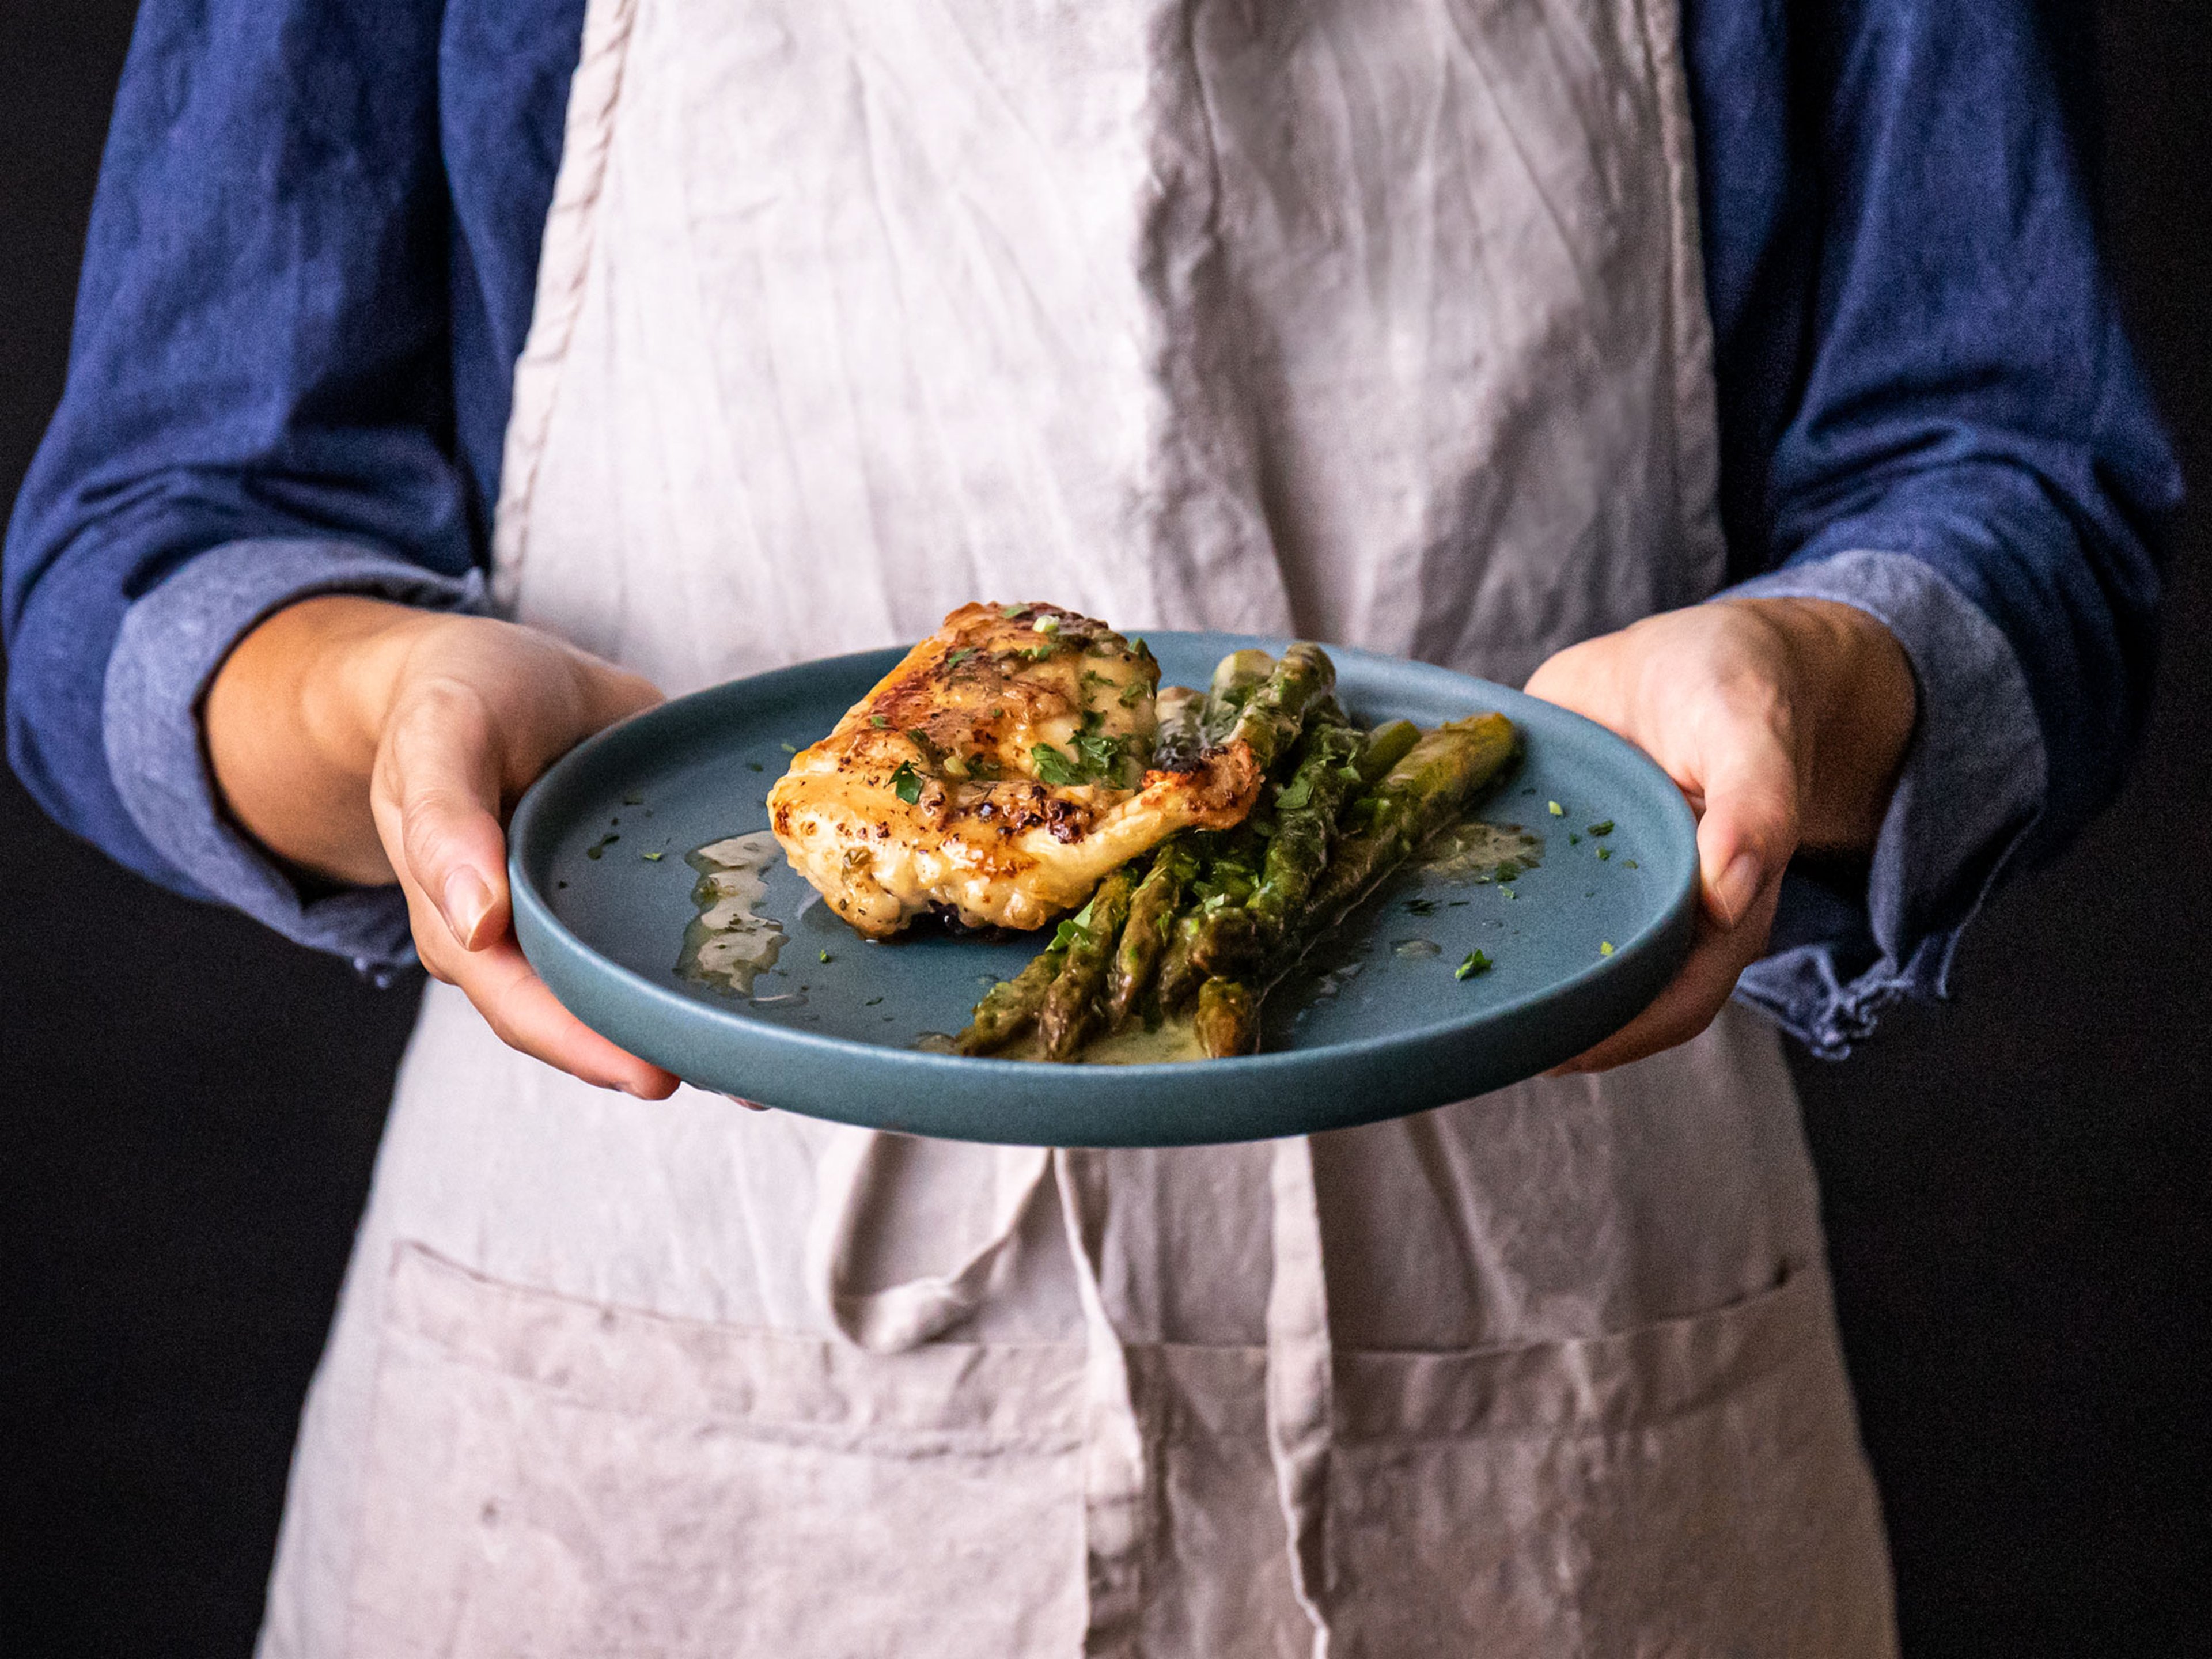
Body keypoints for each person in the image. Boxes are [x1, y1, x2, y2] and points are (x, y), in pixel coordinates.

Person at [3, 0, 2178, 1652]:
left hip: (1561, 1391)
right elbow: (160, 534)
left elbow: (2019, 472)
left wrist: (1828, 674)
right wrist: (382, 704)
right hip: (646, 1407)